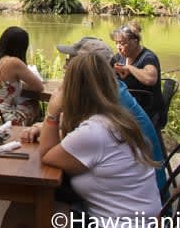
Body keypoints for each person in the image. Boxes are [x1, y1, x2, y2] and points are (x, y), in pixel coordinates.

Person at [0, 54, 161, 228]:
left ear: (73, 89)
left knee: (23, 212)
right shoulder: (115, 118)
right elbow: (69, 141)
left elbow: (48, 155)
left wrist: (52, 112)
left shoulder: (96, 131)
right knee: (30, 209)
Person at [56, 36, 167, 195]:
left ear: (86, 69)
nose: (65, 67)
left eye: (70, 62)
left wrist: (51, 117)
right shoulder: (111, 90)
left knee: (50, 189)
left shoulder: (108, 103)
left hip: (139, 207)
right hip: (141, 196)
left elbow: (55, 153)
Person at [0, 26, 44, 125]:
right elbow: (39, 87)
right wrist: (23, 85)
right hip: (3, 119)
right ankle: (28, 133)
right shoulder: (14, 62)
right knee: (34, 104)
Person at [111, 21, 164, 123]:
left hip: (147, 112)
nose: (118, 47)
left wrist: (129, 68)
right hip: (126, 109)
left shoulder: (148, 57)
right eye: (116, 43)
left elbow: (150, 79)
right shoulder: (118, 57)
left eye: (122, 43)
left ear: (135, 41)